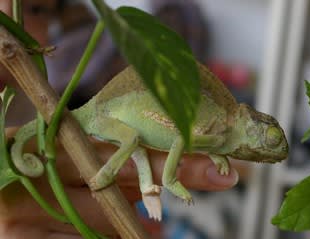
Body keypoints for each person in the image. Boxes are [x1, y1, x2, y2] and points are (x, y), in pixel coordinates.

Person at [0, 0, 239, 238]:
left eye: (38, 9)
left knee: (135, 147)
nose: (12, 34)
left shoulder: (24, 97)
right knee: (132, 142)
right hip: (116, 119)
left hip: (120, 120)